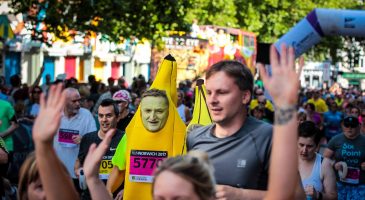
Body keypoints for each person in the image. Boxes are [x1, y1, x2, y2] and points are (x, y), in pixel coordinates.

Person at [187, 57, 304, 199]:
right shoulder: (194, 137)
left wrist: (241, 194)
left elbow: (298, 195)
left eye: (222, 92)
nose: (212, 100)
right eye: (209, 92)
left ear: (245, 96)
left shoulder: (269, 137)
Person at [107, 89, 186, 200]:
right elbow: (119, 169)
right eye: (148, 111)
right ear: (140, 112)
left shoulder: (180, 139)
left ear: (168, 112)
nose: (152, 117)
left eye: (159, 111)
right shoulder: (129, 137)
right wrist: (108, 191)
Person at [75, 98, 123, 200]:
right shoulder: (88, 138)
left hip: (115, 195)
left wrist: (126, 189)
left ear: (118, 117)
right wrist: (78, 170)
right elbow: (78, 162)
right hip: (91, 194)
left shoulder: (125, 138)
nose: (104, 120)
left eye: (108, 116)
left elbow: (130, 170)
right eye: (101, 116)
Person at [53, 87, 97, 189]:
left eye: (79, 100)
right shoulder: (54, 115)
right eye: (74, 101)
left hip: (78, 173)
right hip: (58, 171)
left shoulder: (86, 115)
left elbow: (95, 140)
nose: (78, 104)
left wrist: (84, 140)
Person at [323, 115, 365, 199]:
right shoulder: (336, 139)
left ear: (359, 126)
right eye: (347, 125)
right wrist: (334, 164)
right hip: (341, 183)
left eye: (353, 126)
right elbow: (325, 158)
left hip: (360, 184)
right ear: (343, 126)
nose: (349, 128)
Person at [298, 121, 337, 200]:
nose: (304, 150)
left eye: (309, 146)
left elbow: (333, 196)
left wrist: (318, 195)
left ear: (317, 146)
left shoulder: (324, 164)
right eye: (301, 145)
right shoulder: (287, 160)